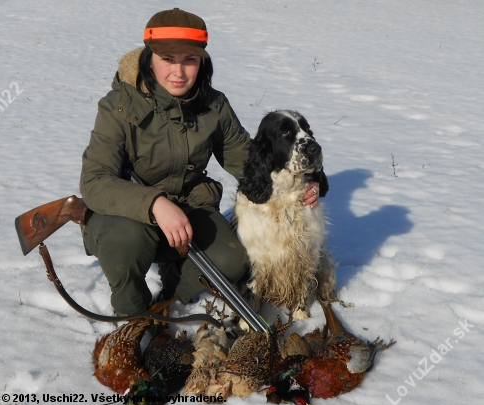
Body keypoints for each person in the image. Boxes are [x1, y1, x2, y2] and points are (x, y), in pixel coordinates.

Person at [79, 8, 325, 316]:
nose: (179, 73)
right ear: (149, 58)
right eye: (168, 60)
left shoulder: (213, 105)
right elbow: (94, 181)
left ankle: (172, 297)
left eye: (189, 60)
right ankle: (132, 318)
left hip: (190, 209)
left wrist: (298, 182)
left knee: (233, 263)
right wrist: (155, 204)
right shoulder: (117, 107)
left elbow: (248, 159)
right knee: (125, 241)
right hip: (126, 214)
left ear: (202, 62)